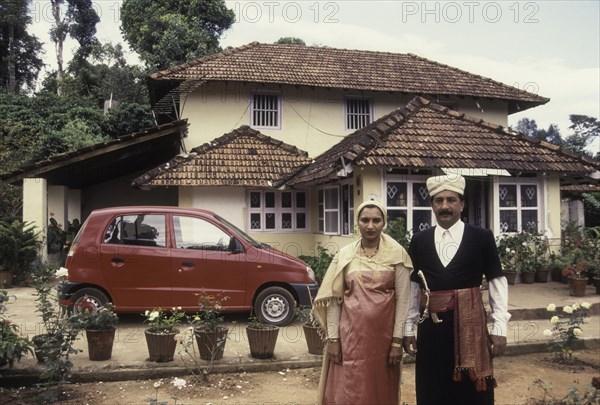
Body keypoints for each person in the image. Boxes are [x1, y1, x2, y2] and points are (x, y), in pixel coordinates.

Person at [402, 173, 510, 405]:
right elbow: (413, 287)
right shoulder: (420, 240)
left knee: (471, 393)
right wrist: (409, 328)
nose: (445, 206)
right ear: (432, 205)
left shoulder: (481, 237)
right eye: (438, 201)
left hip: (471, 329)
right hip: (432, 330)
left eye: (451, 200)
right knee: (433, 390)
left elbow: (496, 281)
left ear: (462, 204)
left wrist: (500, 326)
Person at [313, 199, 413, 405]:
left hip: (383, 343)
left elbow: (404, 300)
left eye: (376, 220)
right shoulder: (345, 255)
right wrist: (333, 340)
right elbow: (334, 299)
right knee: (347, 391)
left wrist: (396, 342)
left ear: (384, 223)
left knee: (379, 392)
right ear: (357, 222)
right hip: (349, 339)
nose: (370, 226)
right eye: (365, 220)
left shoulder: (398, 254)